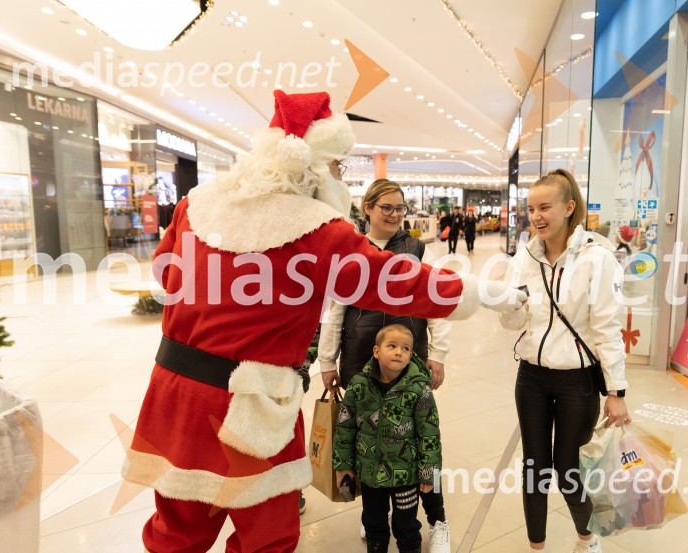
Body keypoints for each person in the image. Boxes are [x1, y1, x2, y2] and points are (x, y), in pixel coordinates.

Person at [121, 89, 525, 552]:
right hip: (249, 411)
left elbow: (162, 272)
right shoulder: (314, 228)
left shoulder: (196, 205)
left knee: (175, 532)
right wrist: (492, 292)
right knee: (266, 538)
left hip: (173, 396)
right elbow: (397, 280)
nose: (341, 177)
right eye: (339, 166)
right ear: (314, 166)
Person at [499, 169, 630, 553]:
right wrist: (507, 305)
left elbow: (607, 328)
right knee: (534, 468)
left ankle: (586, 539)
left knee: (569, 468)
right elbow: (513, 321)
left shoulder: (597, 257)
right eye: (531, 209)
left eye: (545, 207)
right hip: (531, 379)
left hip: (579, 382)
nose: (536, 217)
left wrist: (617, 391)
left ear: (569, 207)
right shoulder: (524, 255)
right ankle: (536, 546)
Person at [319, 178, 452, 552]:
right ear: (368, 210)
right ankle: (374, 518)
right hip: (362, 358)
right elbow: (334, 309)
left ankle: (438, 519)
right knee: (367, 440)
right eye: (386, 208)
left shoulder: (416, 249)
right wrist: (327, 361)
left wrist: (438, 354)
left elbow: (435, 301)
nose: (394, 215)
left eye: (400, 208)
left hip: (409, 356)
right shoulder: (350, 252)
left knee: (421, 437)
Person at [333, 324, 440, 553]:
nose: (399, 352)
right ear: (376, 351)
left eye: (406, 348)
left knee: (406, 526)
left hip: (406, 476)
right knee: (374, 524)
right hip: (370, 475)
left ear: (411, 354)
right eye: (392, 346)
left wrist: (429, 474)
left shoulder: (419, 388)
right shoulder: (359, 386)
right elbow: (345, 427)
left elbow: (429, 435)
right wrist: (342, 465)